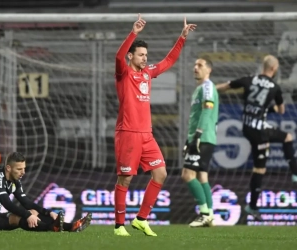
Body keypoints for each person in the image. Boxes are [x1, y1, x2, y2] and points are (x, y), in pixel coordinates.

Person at [114, 14, 196, 236]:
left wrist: (182, 37)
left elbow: (168, 62)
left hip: (146, 135)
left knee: (160, 173)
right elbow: (118, 55)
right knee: (125, 178)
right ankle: (119, 226)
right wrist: (134, 33)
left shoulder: (148, 73)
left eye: (146, 55)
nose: (144, 58)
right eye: (141, 55)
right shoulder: (124, 73)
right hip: (128, 133)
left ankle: (141, 219)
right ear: (131, 56)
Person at [216, 55, 297, 220]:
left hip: (247, 127)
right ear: (274, 69)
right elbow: (281, 111)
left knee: (260, 168)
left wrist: (207, 87)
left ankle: (252, 206)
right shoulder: (275, 87)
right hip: (259, 129)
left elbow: (226, 86)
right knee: (287, 137)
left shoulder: (249, 79)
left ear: (263, 66)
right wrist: (269, 109)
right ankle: (295, 172)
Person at [0, 152, 92, 232]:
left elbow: (26, 202)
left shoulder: (15, 181)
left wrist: (48, 212)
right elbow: (7, 204)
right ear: (8, 168)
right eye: (19, 169)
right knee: (17, 218)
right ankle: (51, 228)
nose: (23, 172)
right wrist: (27, 215)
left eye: (24, 168)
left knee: (33, 212)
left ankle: (71, 226)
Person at [181, 57, 218, 227]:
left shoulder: (208, 87)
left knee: (187, 175)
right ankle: (210, 214)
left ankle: (204, 214)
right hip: (199, 138)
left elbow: (207, 111)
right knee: (202, 176)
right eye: (195, 65)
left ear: (208, 70)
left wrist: (197, 135)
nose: (195, 68)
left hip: (202, 138)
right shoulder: (199, 89)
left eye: (200, 65)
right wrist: (190, 140)